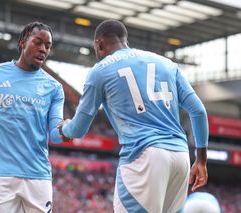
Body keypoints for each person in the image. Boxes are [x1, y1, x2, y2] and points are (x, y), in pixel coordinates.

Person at [58, 19, 209, 212]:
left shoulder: (100, 71)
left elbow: (78, 128)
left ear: (99, 43)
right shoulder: (167, 64)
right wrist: (201, 160)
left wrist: (65, 128)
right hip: (181, 156)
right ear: (124, 39)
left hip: (144, 155)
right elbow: (198, 111)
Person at [0, 21, 65, 213]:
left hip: (38, 177)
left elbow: (55, 136)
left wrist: (69, 129)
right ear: (23, 42)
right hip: (1, 176)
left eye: (47, 46)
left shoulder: (54, 87)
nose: (43, 49)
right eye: (38, 42)